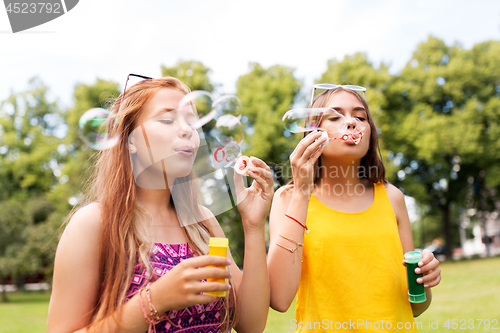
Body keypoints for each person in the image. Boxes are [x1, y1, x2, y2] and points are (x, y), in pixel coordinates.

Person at [47, 76, 273, 333]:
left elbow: (251, 325)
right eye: (167, 120)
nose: (187, 130)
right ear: (129, 139)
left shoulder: (202, 221)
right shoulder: (95, 223)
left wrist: (253, 225)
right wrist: (154, 300)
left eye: (191, 122)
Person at [268, 86, 442, 332]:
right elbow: (279, 298)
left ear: (370, 133)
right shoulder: (288, 199)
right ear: (312, 133)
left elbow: (415, 307)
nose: (351, 122)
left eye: (360, 117)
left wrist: (424, 282)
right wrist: (302, 191)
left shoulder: (392, 197)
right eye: (335, 116)